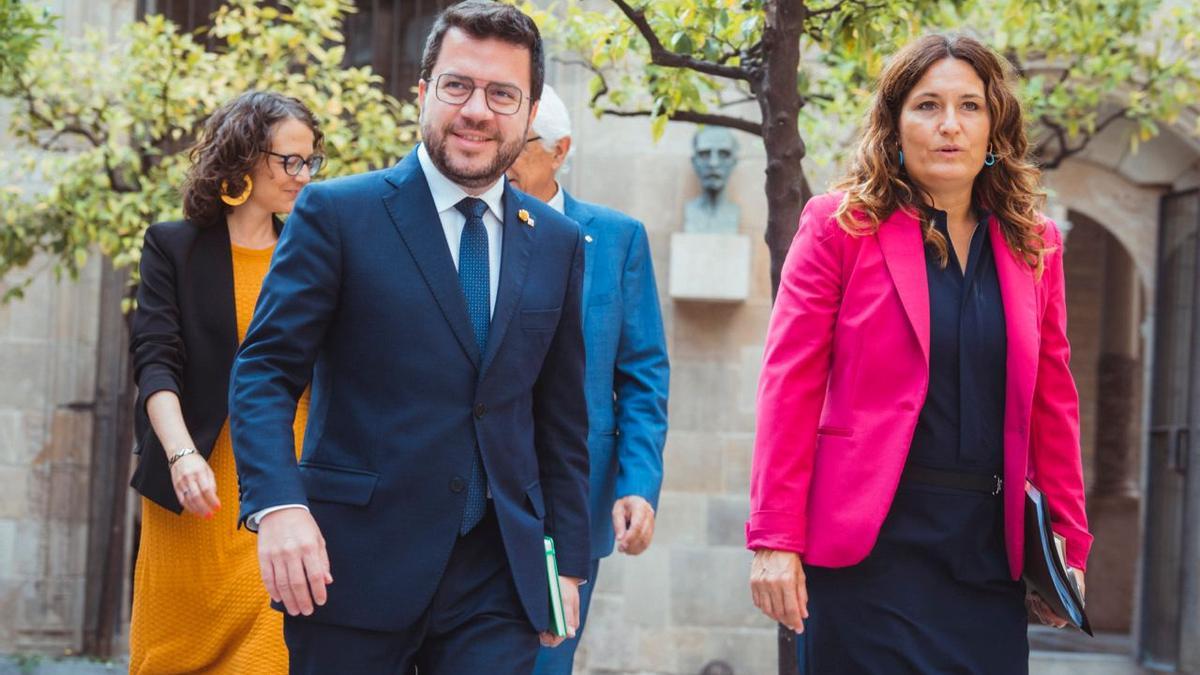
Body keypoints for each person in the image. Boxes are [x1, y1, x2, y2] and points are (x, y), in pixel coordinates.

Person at [227, 3, 590, 673]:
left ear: (529, 111)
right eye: (458, 85)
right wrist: (278, 505)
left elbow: (562, 418)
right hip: (351, 567)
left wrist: (566, 562)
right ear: (423, 94)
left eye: (501, 93)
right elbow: (266, 373)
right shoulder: (337, 213)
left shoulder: (560, 243)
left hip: (498, 581)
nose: (477, 109)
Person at [746, 34, 1093, 674]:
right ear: (895, 123)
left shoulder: (1035, 244)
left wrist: (1067, 539)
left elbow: (1053, 399)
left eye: (970, 106)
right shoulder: (837, 227)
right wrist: (774, 538)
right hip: (867, 548)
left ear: (995, 126)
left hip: (987, 555)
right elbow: (787, 385)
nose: (949, 126)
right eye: (927, 106)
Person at [127, 90, 323, 673]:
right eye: (289, 160)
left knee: (269, 653)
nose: (303, 175)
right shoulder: (174, 247)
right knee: (172, 656)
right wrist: (181, 453)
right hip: (194, 490)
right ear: (242, 158)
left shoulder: (313, 251)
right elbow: (155, 360)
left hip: (283, 493)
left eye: (310, 161)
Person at [506, 84, 670, 675]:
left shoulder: (617, 236)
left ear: (559, 149)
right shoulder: (472, 225)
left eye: (518, 143)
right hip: (476, 488)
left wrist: (637, 483)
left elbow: (643, 374)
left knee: (549, 664)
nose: (501, 154)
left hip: (575, 496)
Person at [684, 126, 741, 234]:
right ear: (694, 162)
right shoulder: (689, 211)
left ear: (734, 162)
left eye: (724, 154)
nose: (713, 163)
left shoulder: (735, 212)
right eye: (705, 154)